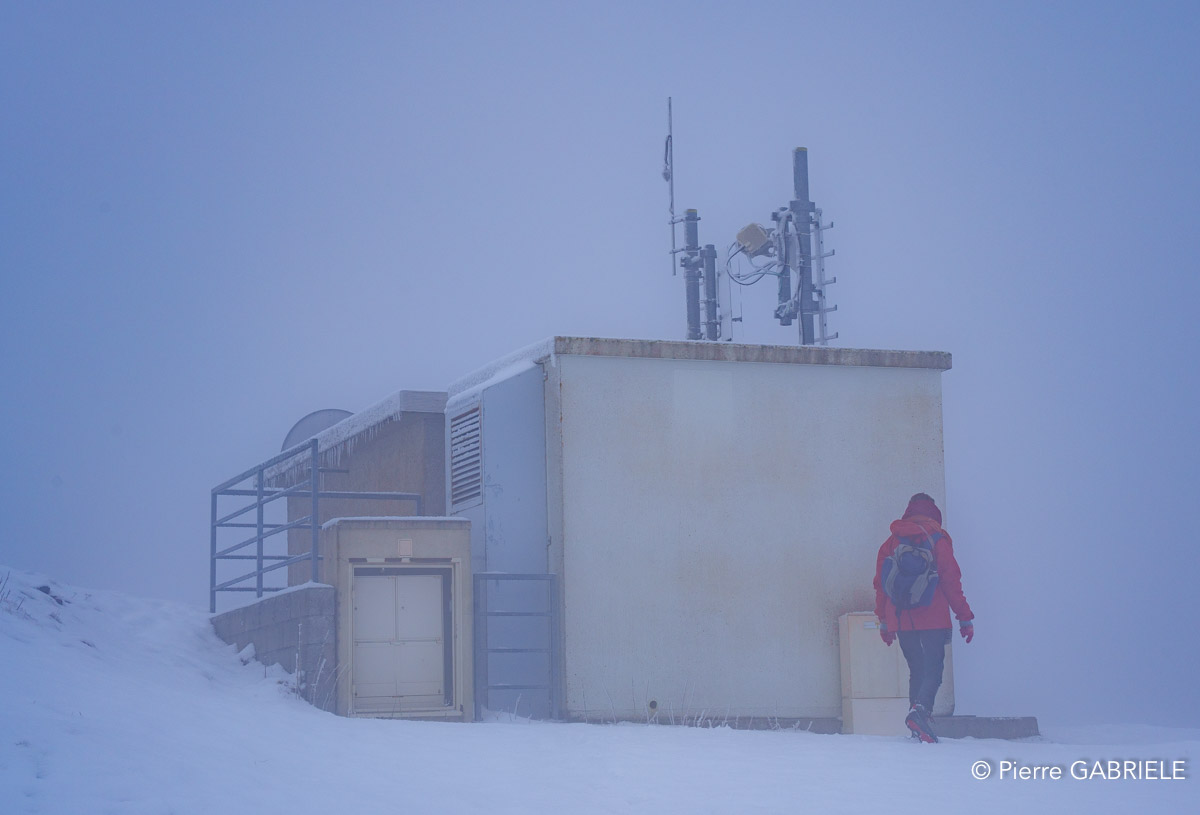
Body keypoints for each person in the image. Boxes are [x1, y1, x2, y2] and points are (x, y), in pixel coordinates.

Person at [873, 493, 974, 743]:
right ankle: (920, 713)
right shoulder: (938, 538)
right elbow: (951, 581)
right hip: (933, 617)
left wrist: (884, 622)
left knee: (916, 669)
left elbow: (881, 585)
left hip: (901, 617)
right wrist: (964, 617)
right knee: (933, 668)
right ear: (933, 512)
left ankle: (915, 722)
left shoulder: (891, 542)